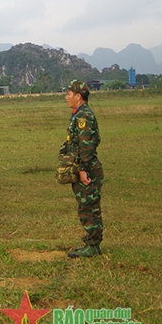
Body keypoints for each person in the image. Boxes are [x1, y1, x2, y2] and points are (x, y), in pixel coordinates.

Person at [63, 80, 104, 258]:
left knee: (89, 207)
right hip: (84, 166)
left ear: (78, 96)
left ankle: (93, 245)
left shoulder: (83, 117)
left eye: (69, 94)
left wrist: (82, 169)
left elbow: (86, 146)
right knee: (85, 206)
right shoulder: (79, 114)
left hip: (87, 168)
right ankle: (90, 242)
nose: (66, 98)